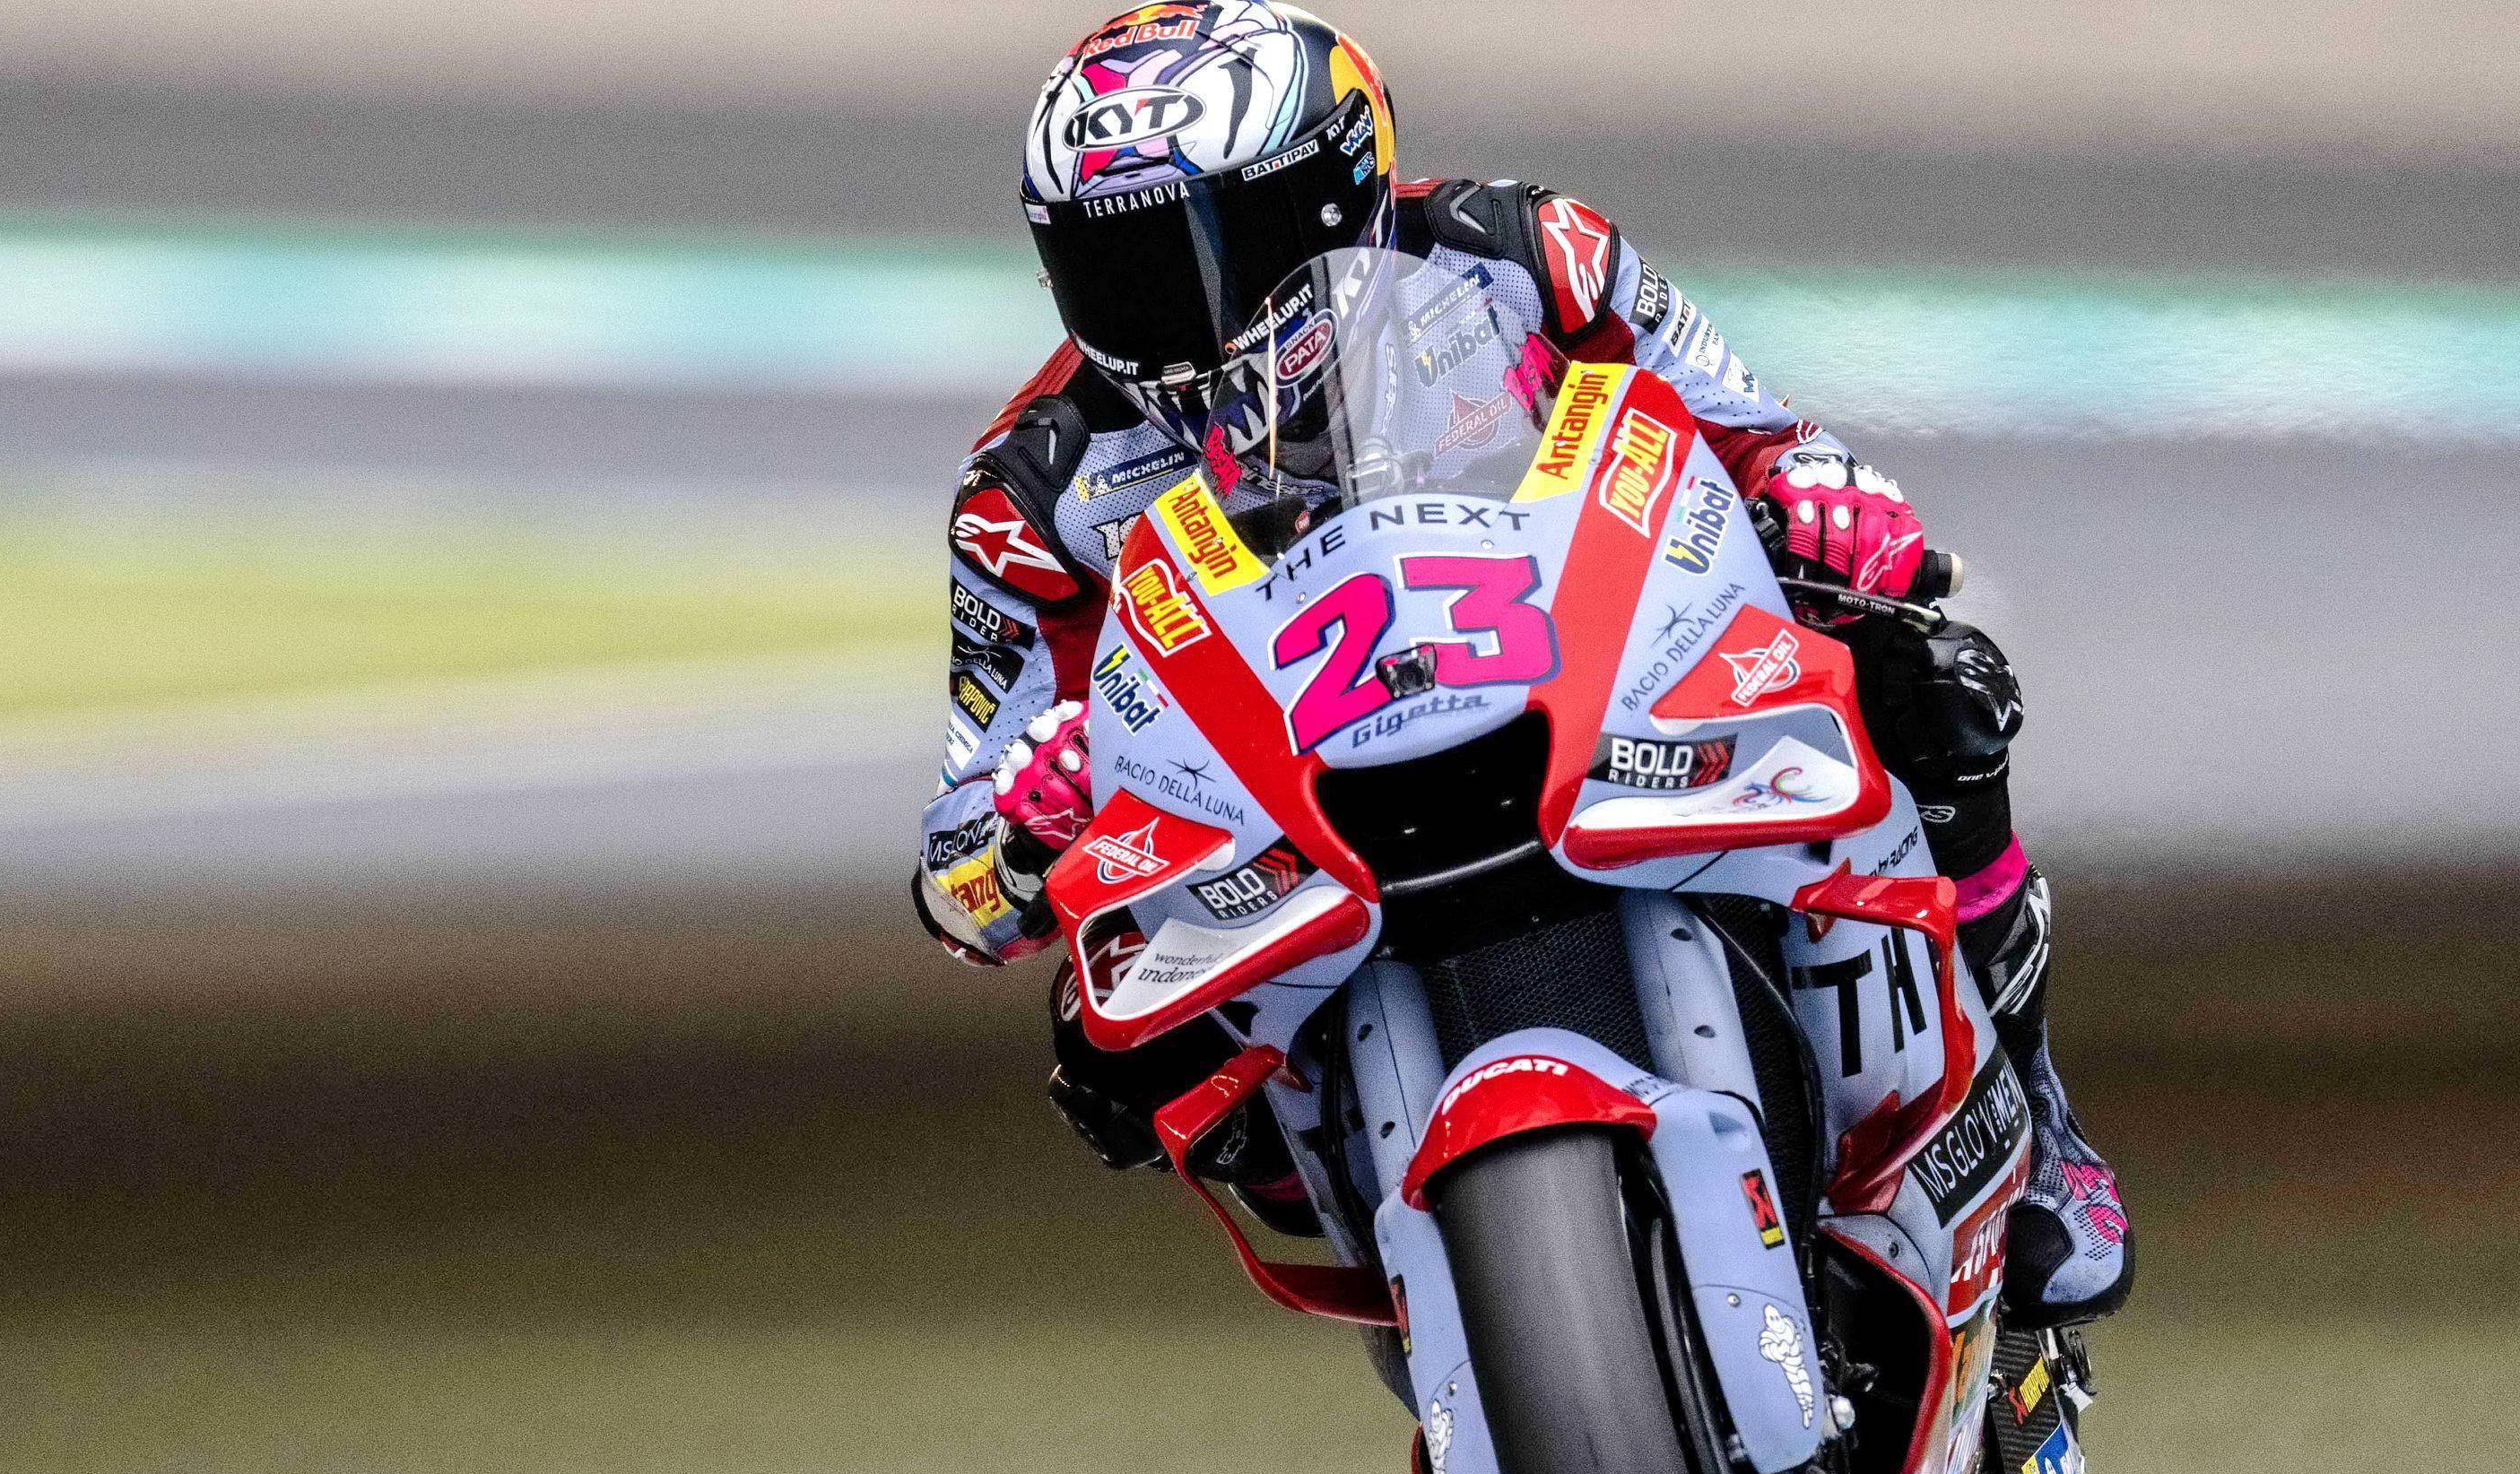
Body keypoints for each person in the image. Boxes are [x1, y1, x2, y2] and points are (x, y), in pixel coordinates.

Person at [911, 0, 2130, 1321]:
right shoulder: (1029, 492)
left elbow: (1758, 433)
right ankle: (1429, 1293)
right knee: (1108, 1047)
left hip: (1588, 680)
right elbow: (958, 867)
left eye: (1229, 243)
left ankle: (2042, 1124)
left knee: (1932, 688)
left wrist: (1828, 499)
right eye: (1122, 265)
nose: (1185, 310)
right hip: (1283, 830)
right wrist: (1022, 826)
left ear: (1342, 189)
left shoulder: (1527, 253)